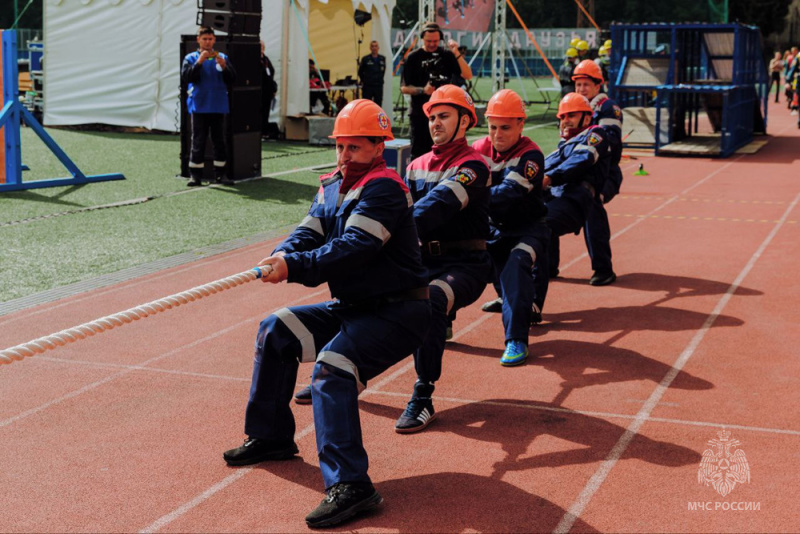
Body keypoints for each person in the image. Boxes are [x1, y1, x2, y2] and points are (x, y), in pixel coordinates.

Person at [222, 99, 431, 528]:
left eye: (355, 147)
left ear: (379, 147)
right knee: (275, 330)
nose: (344, 156)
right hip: (354, 308)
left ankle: (352, 485)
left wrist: (293, 267)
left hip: (398, 312)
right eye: (340, 146)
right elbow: (310, 231)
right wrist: (282, 253)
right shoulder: (332, 185)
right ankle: (270, 436)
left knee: (331, 369)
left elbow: (353, 248)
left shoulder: (385, 188)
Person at [394, 85, 492, 432]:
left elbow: (436, 207)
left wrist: (386, 226)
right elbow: (404, 210)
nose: (435, 122)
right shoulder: (416, 164)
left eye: (444, 116)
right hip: (423, 261)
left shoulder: (474, 166)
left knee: (431, 299)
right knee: (366, 286)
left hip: (465, 264)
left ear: (465, 121)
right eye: (432, 117)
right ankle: (340, 369)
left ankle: (423, 395)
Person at [473, 89, 551, 366]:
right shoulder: (478, 151)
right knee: (455, 260)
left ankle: (516, 337)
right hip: (494, 230)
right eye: (493, 127)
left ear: (521, 124)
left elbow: (507, 193)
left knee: (516, 265)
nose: (498, 134)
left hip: (528, 229)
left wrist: (465, 201)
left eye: (505, 127)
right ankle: (443, 317)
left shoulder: (531, 156)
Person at [543, 93, 612, 287]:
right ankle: (547, 266)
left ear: (587, 117)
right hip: (560, 193)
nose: (566, 121)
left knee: (595, 228)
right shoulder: (563, 145)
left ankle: (603, 269)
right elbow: (545, 165)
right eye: (562, 117)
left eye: (571, 116)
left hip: (581, 195)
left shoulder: (595, 133)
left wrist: (550, 177)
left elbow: (581, 159)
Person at [570, 59, 623, 286]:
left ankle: (603, 269)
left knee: (592, 208)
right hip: (579, 172)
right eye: (578, 85)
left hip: (604, 173)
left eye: (586, 85)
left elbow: (610, 144)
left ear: (598, 86)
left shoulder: (608, 107)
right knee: (545, 208)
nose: (581, 89)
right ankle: (549, 265)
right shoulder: (572, 105)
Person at [401, 22, 472, 159]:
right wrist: (423, 90)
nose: (432, 44)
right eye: (429, 41)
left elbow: (467, 75)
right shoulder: (413, 58)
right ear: (422, 38)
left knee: (446, 153)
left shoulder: (447, 55)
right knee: (419, 155)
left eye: (435, 41)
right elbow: (404, 88)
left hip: (445, 115)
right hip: (420, 115)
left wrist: (456, 52)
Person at [181, 26, 236, 186]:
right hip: (199, 105)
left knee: (219, 141)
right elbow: (187, 77)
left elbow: (232, 79)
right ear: (198, 40)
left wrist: (225, 67)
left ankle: (221, 175)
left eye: (210, 39)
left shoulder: (222, 57)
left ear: (215, 40)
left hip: (218, 105)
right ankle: (195, 176)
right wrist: (199, 62)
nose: (207, 42)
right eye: (204, 39)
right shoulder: (191, 58)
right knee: (198, 140)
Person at [358, 40, 386, 107]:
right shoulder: (365, 59)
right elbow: (360, 72)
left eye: (376, 46)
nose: (374, 48)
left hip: (378, 86)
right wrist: (364, 80)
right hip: (368, 86)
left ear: (378, 48)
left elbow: (383, 71)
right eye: (372, 46)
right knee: (366, 105)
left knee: (378, 105)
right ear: (370, 48)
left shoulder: (382, 58)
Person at [260, 40, 278, 138]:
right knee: (259, 112)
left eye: (263, 46)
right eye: (260, 46)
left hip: (268, 91)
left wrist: (274, 88)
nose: (262, 48)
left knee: (266, 112)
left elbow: (271, 73)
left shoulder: (266, 59)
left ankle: (264, 131)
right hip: (259, 91)